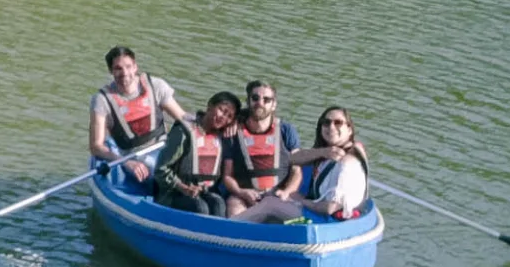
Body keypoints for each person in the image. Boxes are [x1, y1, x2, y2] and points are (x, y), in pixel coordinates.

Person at [235, 107, 369, 224]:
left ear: (350, 129)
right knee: (273, 196)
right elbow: (293, 159)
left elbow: (331, 208)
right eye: (326, 123)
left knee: (269, 204)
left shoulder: (346, 164)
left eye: (338, 122)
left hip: (328, 221)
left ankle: (228, 228)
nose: (331, 127)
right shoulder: (337, 150)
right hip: (326, 215)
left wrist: (300, 200)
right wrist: (323, 152)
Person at [89, 46, 186, 185]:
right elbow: (96, 146)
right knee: (165, 173)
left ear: (135, 67)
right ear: (111, 71)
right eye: (118, 68)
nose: (125, 73)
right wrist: (126, 162)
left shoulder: (156, 85)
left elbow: (183, 118)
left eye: (128, 66)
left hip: (165, 147)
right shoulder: (101, 100)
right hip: (134, 156)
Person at [152, 91, 242, 215]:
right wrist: (183, 188)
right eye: (221, 110)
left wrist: (237, 123)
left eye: (229, 116)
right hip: (175, 193)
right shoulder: (183, 132)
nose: (223, 117)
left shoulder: (224, 137)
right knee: (200, 208)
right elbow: (161, 169)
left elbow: (251, 119)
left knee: (219, 204)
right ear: (210, 105)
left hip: (205, 192)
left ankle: (214, 234)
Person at [221, 79, 301, 218]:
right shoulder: (233, 132)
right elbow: (227, 175)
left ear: (274, 105)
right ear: (248, 101)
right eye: (255, 98)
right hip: (244, 196)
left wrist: (287, 192)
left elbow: (296, 171)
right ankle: (237, 237)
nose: (260, 103)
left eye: (267, 99)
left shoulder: (286, 130)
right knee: (234, 208)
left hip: (278, 195)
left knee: (295, 217)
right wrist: (241, 192)